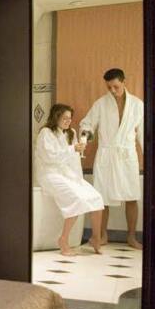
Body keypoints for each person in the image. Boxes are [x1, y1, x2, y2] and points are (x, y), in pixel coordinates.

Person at [79, 68, 144, 249]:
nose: (112, 91)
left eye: (116, 86)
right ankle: (102, 235)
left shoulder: (137, 105)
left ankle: (131, 237)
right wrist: (85, 137)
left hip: (126, 155)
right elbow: (87, 124)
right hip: (106, 155)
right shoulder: (101, 104)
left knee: (132, 196)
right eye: (109, 87)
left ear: (124, 82)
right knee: (102, 197)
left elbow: (144, 134)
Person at [36, 104, 104, 256]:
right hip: (50, 174)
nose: (68, 121)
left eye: (70, 118)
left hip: (68, 174)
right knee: (76, 199)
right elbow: (49, 157)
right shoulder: (46, 133)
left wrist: (79, 180)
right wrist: (73, 149)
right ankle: (63, 240)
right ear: (56, 117)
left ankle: (96, 238)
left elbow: (74, 161)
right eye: (64, 118)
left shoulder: (71, 133)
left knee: (97, 198)